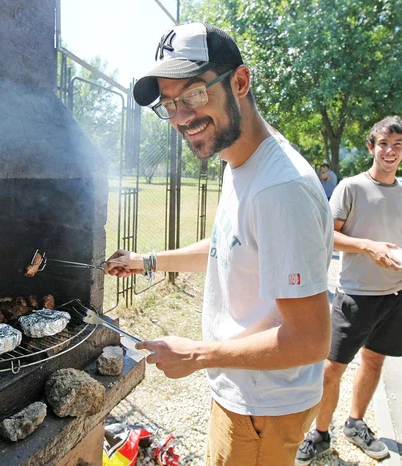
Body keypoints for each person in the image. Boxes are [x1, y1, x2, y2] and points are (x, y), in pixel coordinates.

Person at [104, 23, 334, 466]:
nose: (181, 118)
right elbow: (229, 244)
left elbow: (309, 340)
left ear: (240, 82)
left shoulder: (279, 188)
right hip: (244, 389)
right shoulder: (241, 163)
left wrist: (197, 355)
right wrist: (146, 260)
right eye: (168, 105)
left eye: (192, 95)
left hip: (264, 407)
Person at [296, 116, 402, 464]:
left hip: (397, 293)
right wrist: (369, 247)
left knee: (374, 360)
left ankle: (355, 423)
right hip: (356, 294)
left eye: (398, 145)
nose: (390, 151)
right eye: (383, 143)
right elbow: (329, 236)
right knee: (332, 368)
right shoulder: (350, 188)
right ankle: (320, 433)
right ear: (372, 146)